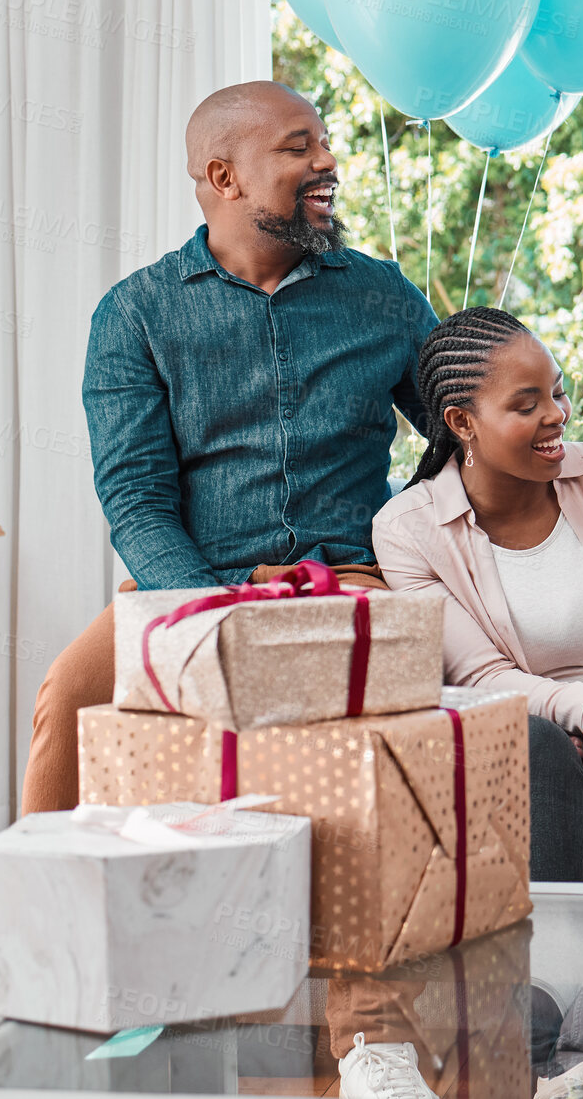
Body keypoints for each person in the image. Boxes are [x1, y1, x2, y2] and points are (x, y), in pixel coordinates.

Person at [21, 81, 435, 814]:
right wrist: (206, 611)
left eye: (326, 142)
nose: (328, 161)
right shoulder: (134, 314)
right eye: (298, 147)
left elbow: (459, 437)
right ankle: (43, 916)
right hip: (191, 584)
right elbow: (136, 499)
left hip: (350, 577)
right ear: (224, 177)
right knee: (70, 695)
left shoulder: (384, 295)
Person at [372, 306, 583, 883]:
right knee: (537, 745)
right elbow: (478, 675)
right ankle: (536, 971)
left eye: (558, 392)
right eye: (527, 405)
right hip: (511, 739)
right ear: (462, 421)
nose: (557, 416)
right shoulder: (407, 528)